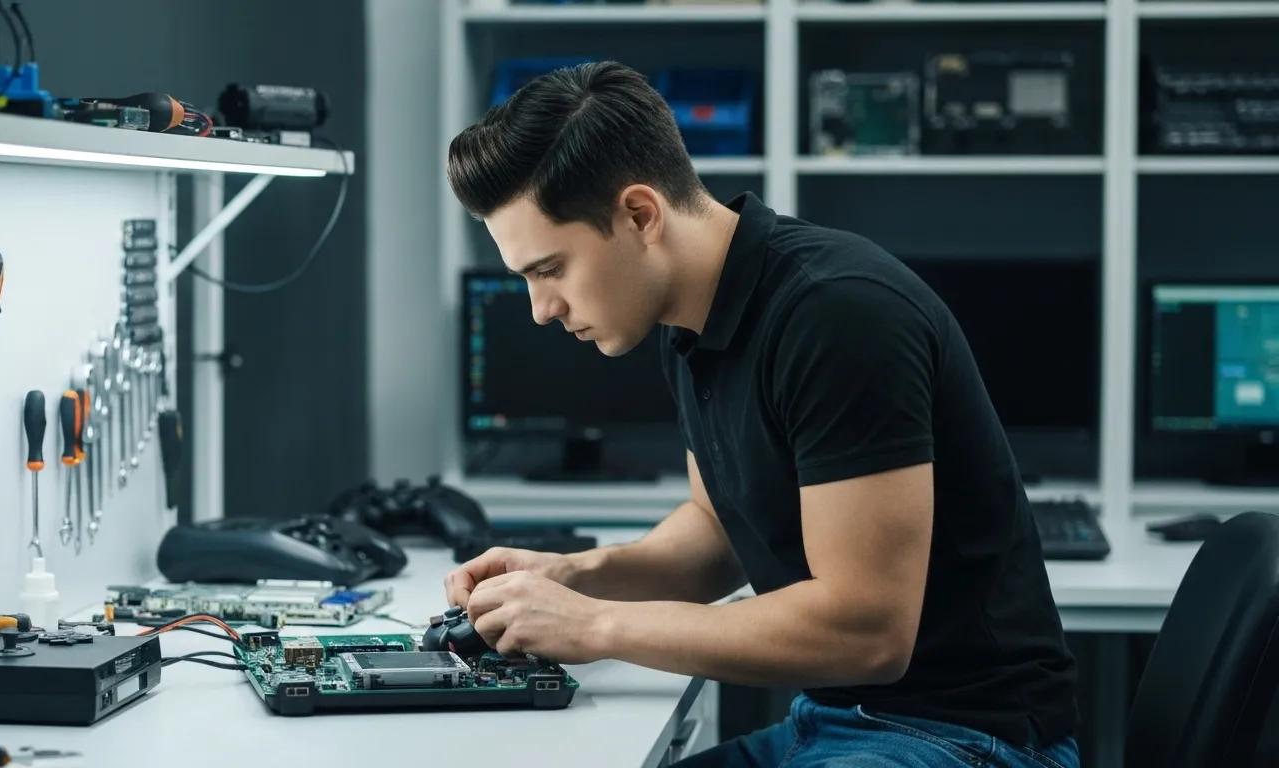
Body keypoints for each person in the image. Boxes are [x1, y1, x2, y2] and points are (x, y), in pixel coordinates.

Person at [442, 61, 1079, 768]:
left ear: (640, 215)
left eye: (549, 269)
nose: (540, 310)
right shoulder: (689, 325)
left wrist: (596, 624)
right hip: (835, 724)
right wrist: (571, 576)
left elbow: (868, 632)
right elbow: (719, 532)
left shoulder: (838, 316)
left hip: (965, 738)